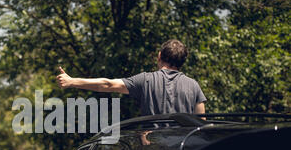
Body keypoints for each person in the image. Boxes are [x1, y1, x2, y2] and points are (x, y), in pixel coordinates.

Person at [56, 39, 206, 116]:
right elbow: (200, 125)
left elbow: (107, 85)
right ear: (182, 62)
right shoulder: (194, 86)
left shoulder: (146, 80)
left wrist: (72, 81)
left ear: (159, 56)